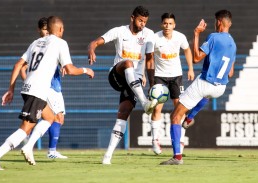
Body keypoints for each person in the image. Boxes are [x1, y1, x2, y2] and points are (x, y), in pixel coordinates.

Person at [0, 16, 94, 170]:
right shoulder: (61, 43)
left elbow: (18, 64)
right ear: (61, 29)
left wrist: (11, 89)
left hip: (29, 88)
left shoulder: (35, 43)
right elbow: (69, 69)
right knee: (25, 128)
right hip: (37, 90)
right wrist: (85, 70)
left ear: (47, 29)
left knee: (50, 117)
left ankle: (29, 147)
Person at [160, 9, 236, 165]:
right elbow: (230, 73)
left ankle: (177, 157)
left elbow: (195, 58)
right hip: (220, 88)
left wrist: (196, 33)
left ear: (219, 22)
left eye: (216, 21)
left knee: (175, 116)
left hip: (205, 83)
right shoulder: (233, 44)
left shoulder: (214, 37)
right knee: (205, 96)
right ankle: (189, 118)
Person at [88, 5, 156, 165]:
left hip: (134, 83)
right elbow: (95, 42)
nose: (142, 25)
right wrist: (91, 49)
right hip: (117, 75)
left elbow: (150, 59)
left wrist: (152, 84)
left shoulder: (149, 35)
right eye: (140, 20)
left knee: (123, 115)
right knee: (128, 62)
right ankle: (145, 102)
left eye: (145, 22)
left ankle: (107, 156)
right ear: (132, 18)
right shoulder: (119, 31)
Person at [20, 17, 67, 159]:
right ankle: (50, 151)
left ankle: (30, 142)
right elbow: (23, 66)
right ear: (39, 30)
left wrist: (63, 65)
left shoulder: (52, 45)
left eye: (48, 29)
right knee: (56, 117)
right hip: (47, 87)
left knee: (51, 118)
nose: (47, 32)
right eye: (44, 29)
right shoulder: (40, 45)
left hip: (54, 85)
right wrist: (29, 80)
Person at [150, 13, 194, 155]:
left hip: (176, 77)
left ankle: (180, 140)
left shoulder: (180, 37)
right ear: (161, 24)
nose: (167, 26)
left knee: (179, 109)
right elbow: (149, 58)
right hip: (160, 77)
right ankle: (155, 140)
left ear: (174, 25)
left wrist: (191, 69)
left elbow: (187, 50)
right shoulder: (155, 38)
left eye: (170, 24)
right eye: (165, 23)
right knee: (157, 109)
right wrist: (148, 76)